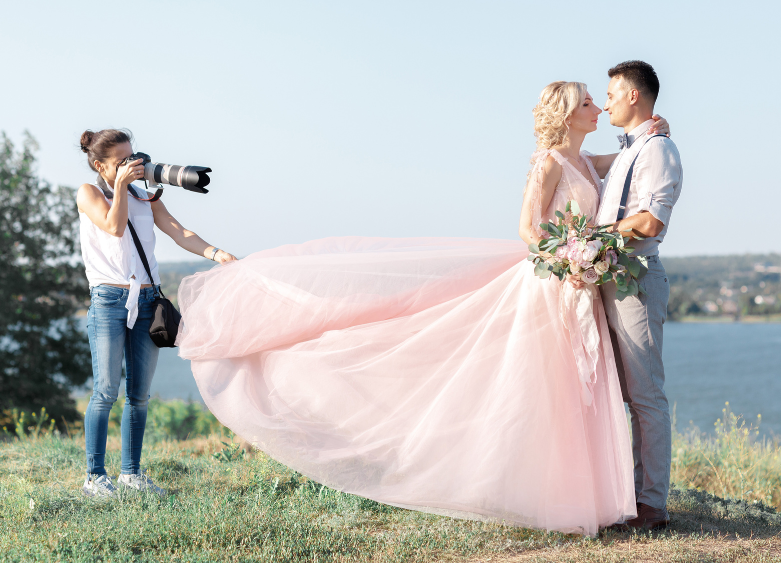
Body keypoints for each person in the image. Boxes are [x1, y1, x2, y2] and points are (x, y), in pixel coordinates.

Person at [175, 86, 669, 535]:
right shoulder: (550, 163)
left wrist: (655, 129)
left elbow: (626, 159)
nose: (598, 107)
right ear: (566, 114)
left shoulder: (587, 161)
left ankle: (592, 498)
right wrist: (569, 261)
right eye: (587, 102)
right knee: (548, 389)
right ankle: (551, 497)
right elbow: (528, 230)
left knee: (579, 390)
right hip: (555, 285)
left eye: (597, 99)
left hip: (581, 285)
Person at [76, 128, 237, 498]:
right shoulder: (90, 193)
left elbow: (179, 232)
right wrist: (119, 186)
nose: (133, 165)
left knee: (139, 395)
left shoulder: (144, 195)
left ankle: (131, 475)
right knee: (104, 392)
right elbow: (114, 227)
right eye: (122, 161)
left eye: (133, 157)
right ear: (100, 165)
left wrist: (218, 254)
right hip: (109, 301)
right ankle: (94, 477)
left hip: (147, 302)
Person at [596, 61, 683, 530]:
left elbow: (650, 222)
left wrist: (593, 236)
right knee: (619, 393)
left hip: (637, 280)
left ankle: (652, 506)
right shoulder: (631, 149)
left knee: (645, 396)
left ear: (633, 95)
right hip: (607, 280)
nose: (605, 101)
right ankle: (626, 494)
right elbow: (584, 164)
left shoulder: (659, 151)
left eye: (610, 93)